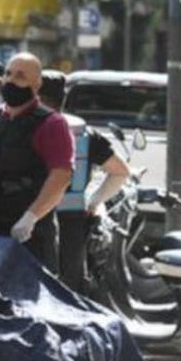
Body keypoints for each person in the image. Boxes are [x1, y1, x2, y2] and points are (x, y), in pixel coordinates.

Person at [0, 52, 74, 273]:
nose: (11, 80)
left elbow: (61, 175)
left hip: (29, 236)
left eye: (20, 76)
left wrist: (31, 217)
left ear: (36, 84)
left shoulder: (52, 124)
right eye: (8, 74)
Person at [39, 70, 130, 291]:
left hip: (34, 219)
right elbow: (121, 171)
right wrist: (94, 202)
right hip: (73, 222)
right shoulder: (84, 133)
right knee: (69, 289)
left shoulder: (24, 128)